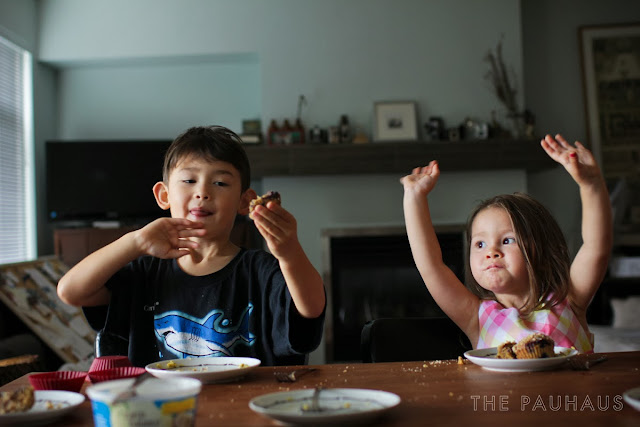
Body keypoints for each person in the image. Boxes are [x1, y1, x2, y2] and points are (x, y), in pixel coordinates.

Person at [57, 125, 326, 366]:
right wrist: (135, 241)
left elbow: (312, 309)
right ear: (163, 195)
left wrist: (289, 253)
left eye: (220, 183)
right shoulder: (144, 274)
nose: (203, 192)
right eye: (189, 180)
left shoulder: (260, 271)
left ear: (245, 202)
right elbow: (71, 291)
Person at [401, 134, 612, 353]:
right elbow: (431, 266)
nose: (491, 252)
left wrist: (591, 184)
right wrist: (414, 197)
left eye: (507, 240)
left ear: (541, 251)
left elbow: (596, 247)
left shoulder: (570, 301)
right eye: (480, 244)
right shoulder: (476, 317)